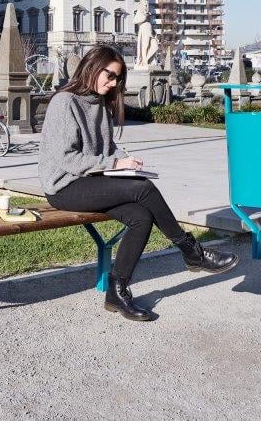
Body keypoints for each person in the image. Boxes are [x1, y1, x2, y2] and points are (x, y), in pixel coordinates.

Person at [39, 45, 237, 321]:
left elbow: (107, 149)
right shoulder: (65, 102)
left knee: (141, 216)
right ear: (92, 66)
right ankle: (191, 252)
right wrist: (114, 165)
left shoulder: (100, 103)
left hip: (92, 181)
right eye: (109, 76)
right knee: (142, 189)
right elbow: (65, 158)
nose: (113, 84)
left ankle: (116, 292)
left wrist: (125, 159)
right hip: (64, 186)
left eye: (118, 79)